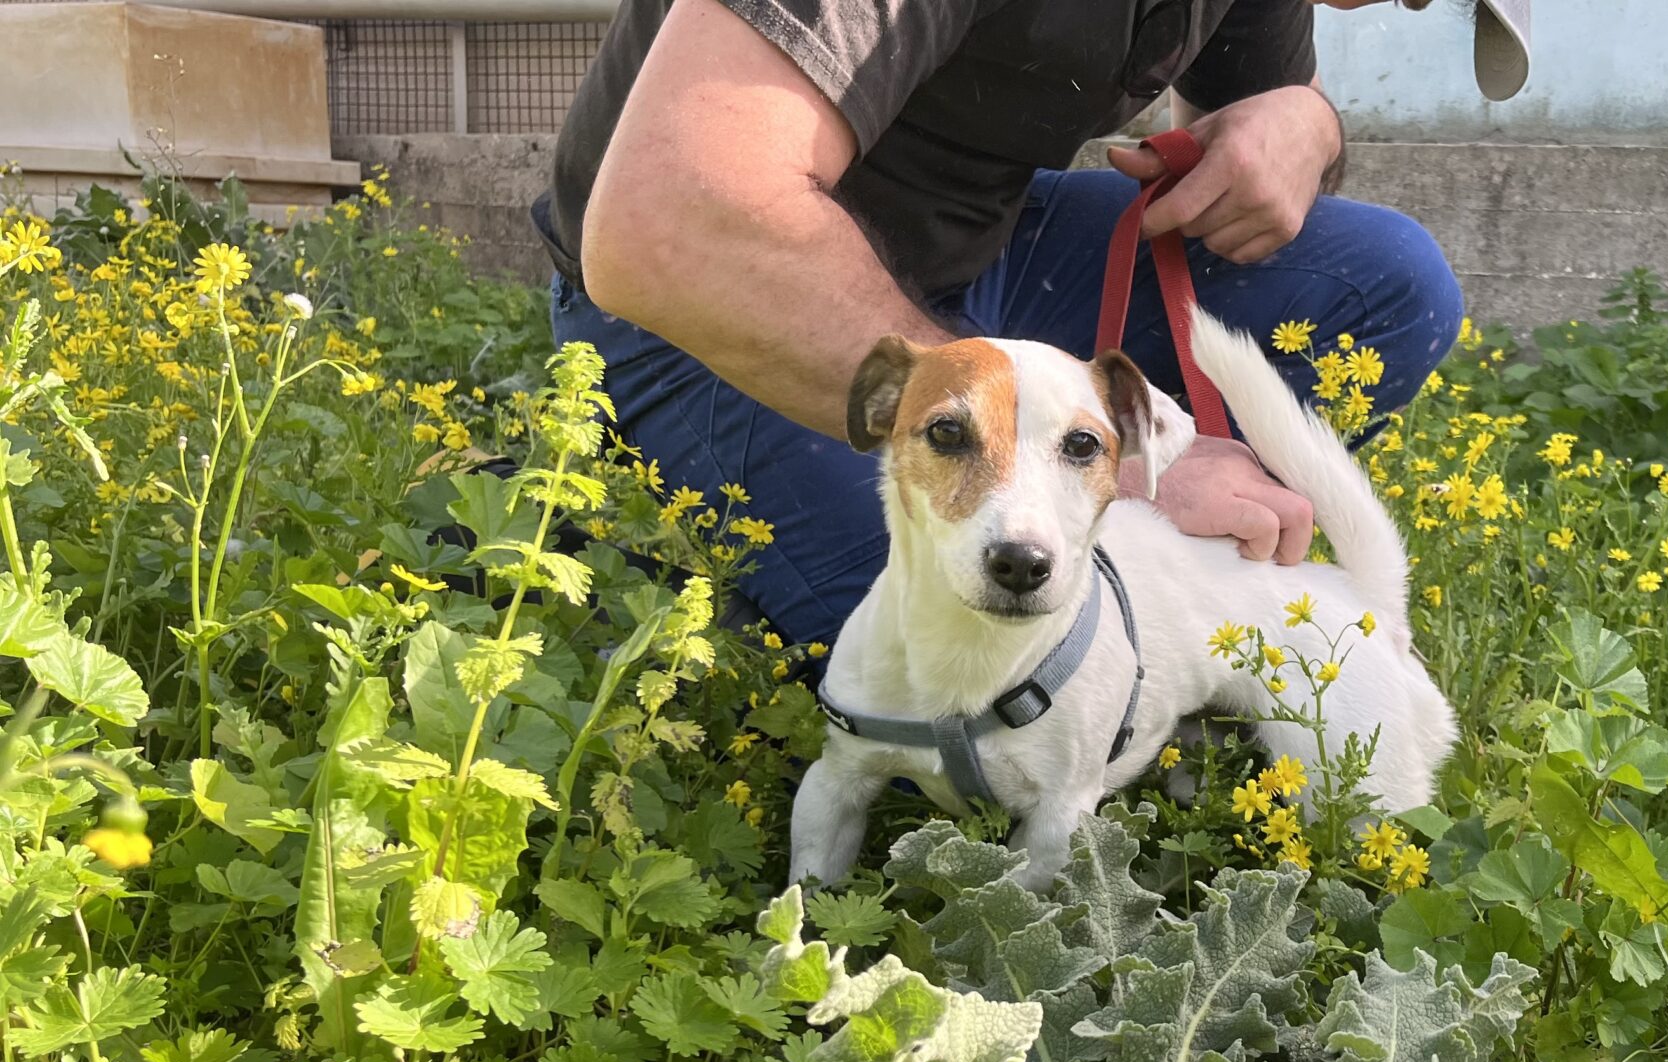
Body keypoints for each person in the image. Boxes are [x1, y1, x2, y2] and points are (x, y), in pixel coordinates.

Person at [535, 0, 1530, 645]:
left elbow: (1263, 107)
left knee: (1384, 285)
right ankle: (601, 531)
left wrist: (1306, 124)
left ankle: (1140, 597)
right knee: (985, 679)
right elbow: (673, 222)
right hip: (707, 304)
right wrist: (1129, 457)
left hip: (983, 256)